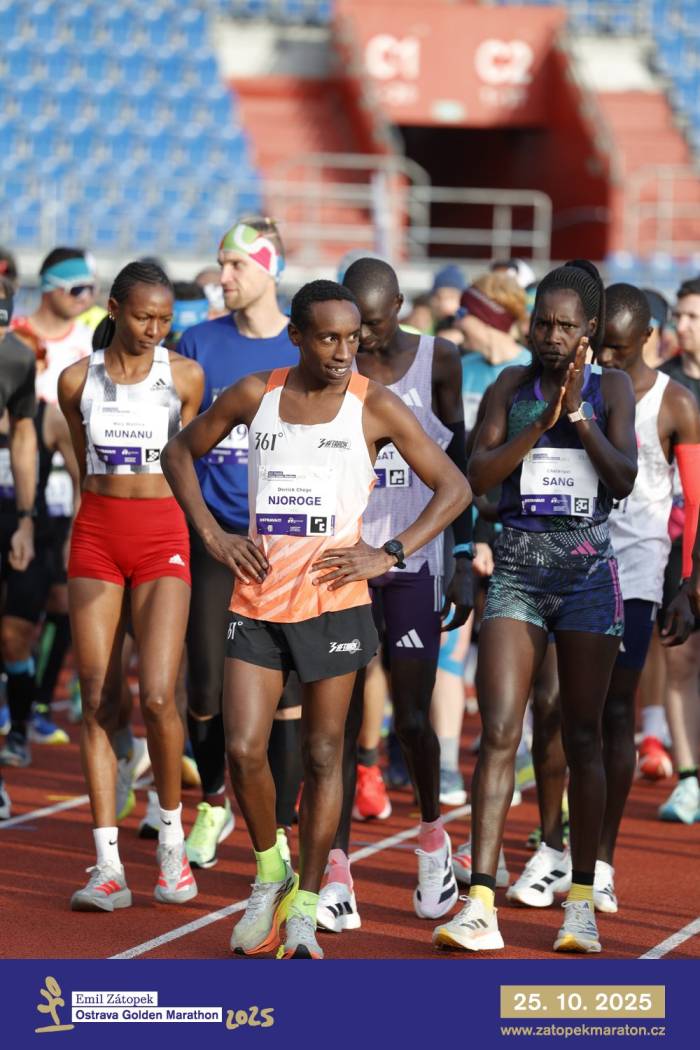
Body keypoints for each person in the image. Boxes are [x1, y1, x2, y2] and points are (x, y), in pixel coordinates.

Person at [161, 279, 471, 959]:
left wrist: (389, 552)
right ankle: (269, 871)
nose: (342, 352)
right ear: (297, 336)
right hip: (258, 598)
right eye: (328, 338)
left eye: (352, 339)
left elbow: (454, 486)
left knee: (326, 754)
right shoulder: (255, 394)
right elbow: (177, 452)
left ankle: (305, 903)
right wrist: (213, 536)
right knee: (245, 747)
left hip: (334, 602)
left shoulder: (374, 404)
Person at [434, 260, 637, 955]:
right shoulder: (508, 387)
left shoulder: (612, 389)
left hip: (587, 580)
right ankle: (479, 903)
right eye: (541, 323)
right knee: (499, 731)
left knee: (581, 736)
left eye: (564, 326)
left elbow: (623, 477)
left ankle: (579, 903)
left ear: (588, 331)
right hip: (517, 575)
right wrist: (539, 426)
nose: (550, 336)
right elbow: (477, 477)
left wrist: (577, 417)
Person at [507, 282, 700, 914]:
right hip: (563, 559)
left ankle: (603, 861)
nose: (607, 360)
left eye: (618, 349)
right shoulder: (573, 385)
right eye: (601, 348)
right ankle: (552, 845)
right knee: (548, 705)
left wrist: (689, 585)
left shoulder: (675, 402)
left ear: (646, 339)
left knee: (613, 714)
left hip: (636, 573)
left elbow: (696, 499)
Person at [314, 257, 474, 932]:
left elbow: (459, 462)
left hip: (414, 561)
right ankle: (335, 868)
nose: (362, 341)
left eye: (374, 326)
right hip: (345, 564)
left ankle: (433, 841)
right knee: (340, 724)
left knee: (411, 716)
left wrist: (463, 554)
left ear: (400, 308)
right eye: (353, 328)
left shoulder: (440, 361)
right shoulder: (333, 365)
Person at [57, 261, 205, 911]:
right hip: (97, 534)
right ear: (115, 309)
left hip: (162, 534)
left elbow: (186, 459)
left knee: (160, 695)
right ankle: (108, 866)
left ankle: (172, 845)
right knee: (96, 695)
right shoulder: (75, 380)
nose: (155, 329)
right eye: (144, 317)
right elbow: (82, 456)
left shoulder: (186, 377)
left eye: (165, 320)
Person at [177, 217, 301, 869]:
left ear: (268, 270)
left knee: (284, 696)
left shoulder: (300, 344)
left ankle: (277, 826)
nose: (223, 277)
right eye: (221, 264)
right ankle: (213, 801)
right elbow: (176, 446)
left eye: (236, 266)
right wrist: (207, 532)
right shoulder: (198, 341)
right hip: (214, 539)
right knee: (204, 685)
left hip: (285, 548)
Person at [0, 398, 79, 766]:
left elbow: (83, 477)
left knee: (13, 637)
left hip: (31, 542)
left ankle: (20, 729)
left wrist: (73, 536)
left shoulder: (48, 418)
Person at [652, 276, 700, 822]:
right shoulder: (664, 386)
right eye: (679, 316)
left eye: (692, 317)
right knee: (680, 658)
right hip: (678, 544)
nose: (680, 326)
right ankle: (688, 779)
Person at [0, 275, 37, 820]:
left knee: (10, 637)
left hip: (8, 513)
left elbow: (25, 435)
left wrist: (26, 519)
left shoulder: (15, 357)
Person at [11, 248, 94, 404]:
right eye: (77, 289)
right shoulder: (8, 333)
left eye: (90, 288)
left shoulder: (94, 342)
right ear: (50, 286)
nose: (85, 297)